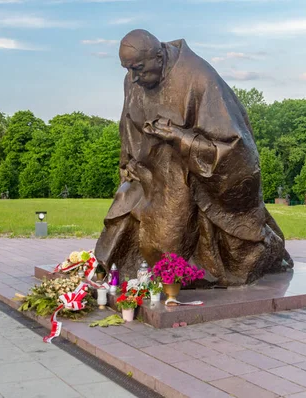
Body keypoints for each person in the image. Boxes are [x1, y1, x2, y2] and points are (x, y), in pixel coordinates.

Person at [94, 29, 292, 286]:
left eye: (139, 69)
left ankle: (184, 269)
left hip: (190, 175)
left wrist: (179, 137)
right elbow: (127, 123)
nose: (133, 78)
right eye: (128, 69)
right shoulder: (134, 80)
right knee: (122, 209)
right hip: (148, 172)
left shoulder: (200, 78)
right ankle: (111, 271)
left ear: (159, 56)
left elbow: (236, 148)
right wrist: (127, 162)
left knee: (166, 242)